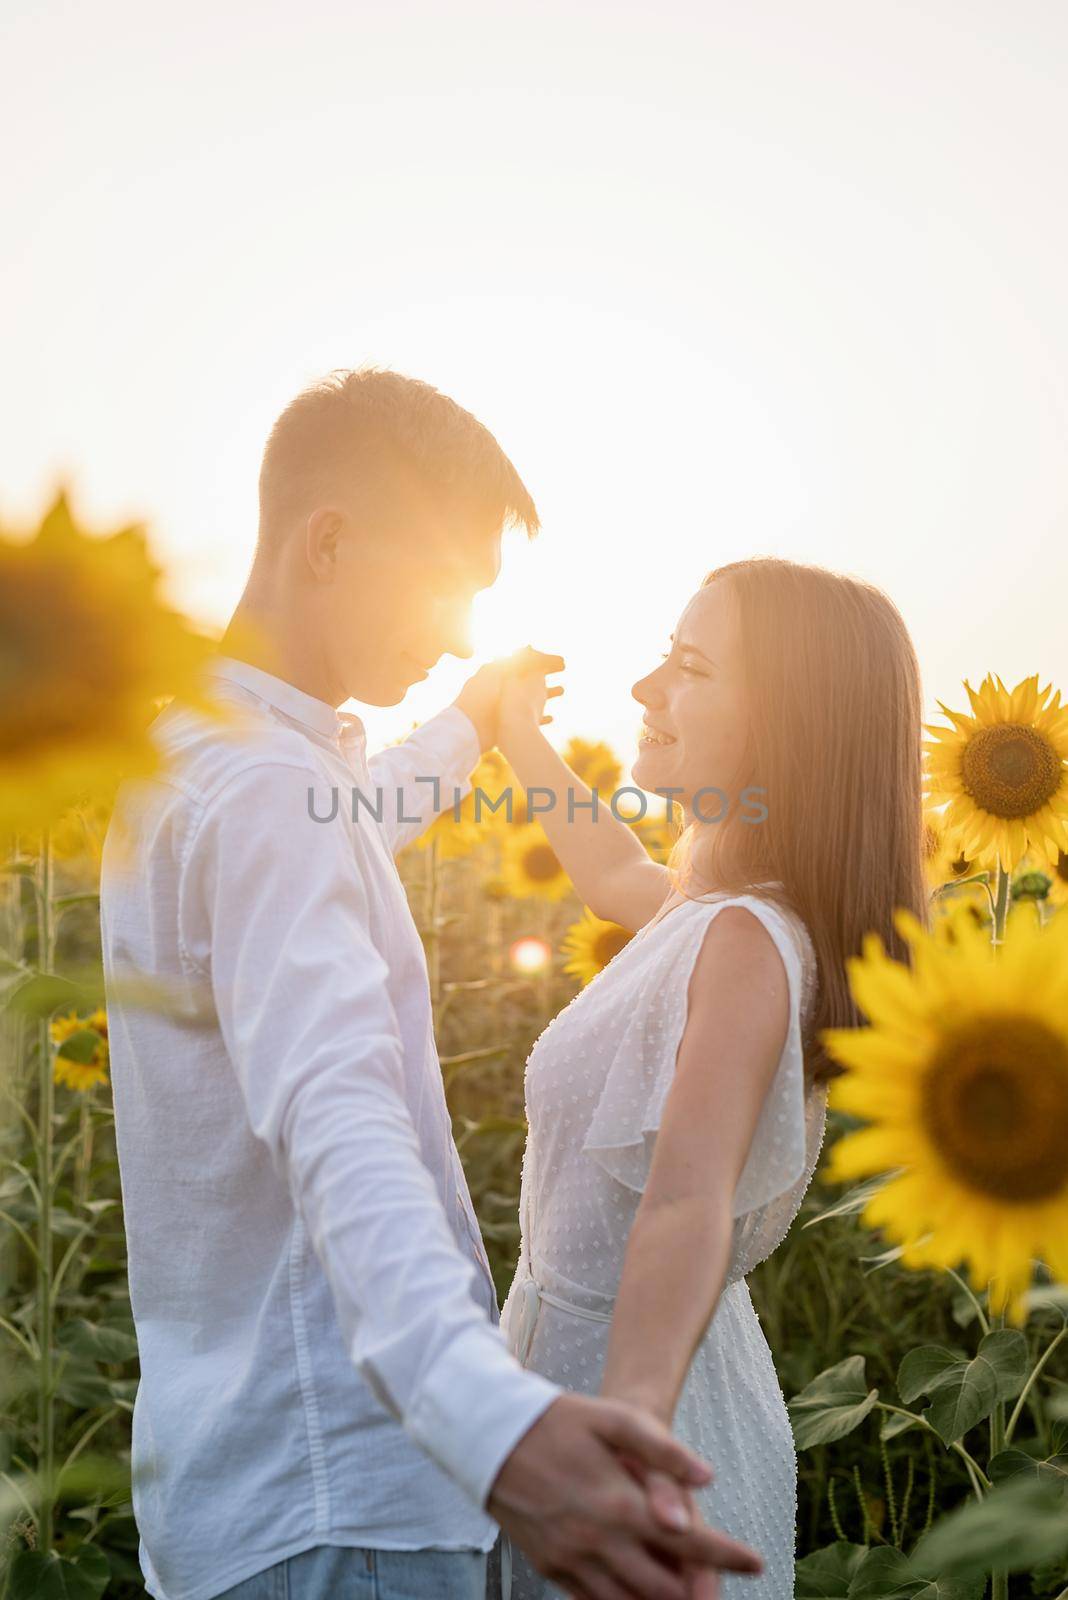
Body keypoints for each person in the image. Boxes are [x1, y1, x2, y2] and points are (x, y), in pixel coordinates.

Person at [99, 367, 764, 1600]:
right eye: (445, 586)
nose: (461, 632)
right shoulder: (263, 796)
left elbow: (350, 822)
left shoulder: (205, 759)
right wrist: (493, 1426)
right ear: (331, 543)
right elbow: (337, 1118)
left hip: (233, 1495)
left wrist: (473, 723)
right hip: (346, 1506)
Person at [487, 558, 927, 1599]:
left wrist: (634, 1428)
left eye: (688, 665)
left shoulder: (743, 939)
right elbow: (609, 876)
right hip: (621, 1379)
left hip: (639, 1395)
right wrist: (515, 730)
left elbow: (689, 1203)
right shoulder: (710, 912)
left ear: (791, 725)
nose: (645, 691)